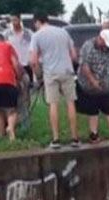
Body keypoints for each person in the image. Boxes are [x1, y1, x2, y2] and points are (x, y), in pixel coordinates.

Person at [30, 13, 79, 149]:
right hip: (67, 71)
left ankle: (56, 139)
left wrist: (38, 75)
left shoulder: (37, 36)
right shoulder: (63, 32)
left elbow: (33, 61)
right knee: (70, 103)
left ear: (37, 22)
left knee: (53, 104)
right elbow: (74, 56)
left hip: (51, 73)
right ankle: (75, 138)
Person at [76, 29, 109, 144]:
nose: (106, 46)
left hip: (108, 86)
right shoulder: (88, 46)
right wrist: (93, 81)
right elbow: (84, 66)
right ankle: (93, 134)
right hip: (89, 87)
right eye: (105, 43)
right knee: (93, 111)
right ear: (100, 38)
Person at [4, 15, 33, 83]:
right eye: (12, 21)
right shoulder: (7, 34)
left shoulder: (28, 33)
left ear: (20, 20)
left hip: (26, 63)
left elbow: (33, 46)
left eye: (15, 20)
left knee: (28, 84)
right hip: (13, 64)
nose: (13, 22)